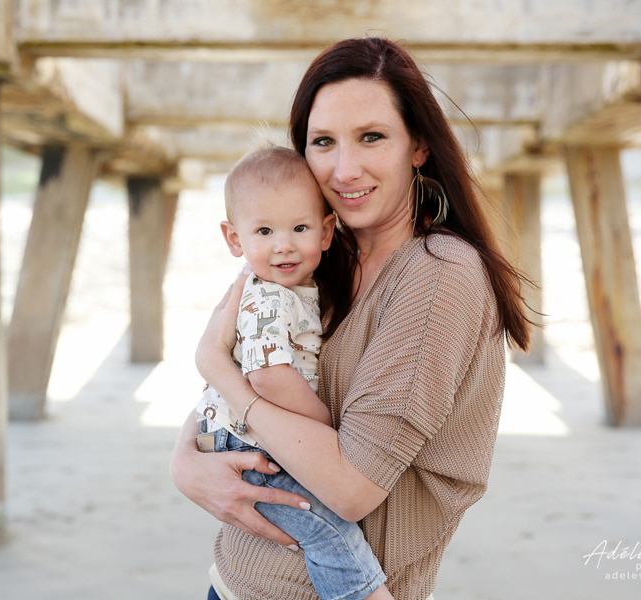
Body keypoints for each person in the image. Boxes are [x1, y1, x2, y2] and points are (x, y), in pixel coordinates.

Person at [171, 37, 533, 600]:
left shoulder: (437, 276)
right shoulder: (316, 261)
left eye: (371, 137)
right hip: (237, 580)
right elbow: (232, 386)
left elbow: (351, 488)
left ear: (418, 145)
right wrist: (183, 461)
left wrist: (216, 369)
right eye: (323, 142)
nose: (343, 169)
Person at [193, 145, 394, 600]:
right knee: (328, 530)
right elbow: (269, 376)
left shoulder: (294, 290)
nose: (283, 244)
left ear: (326, 232)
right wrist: (325, 425)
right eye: (264, 231)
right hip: (249, 444)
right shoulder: (268, 297)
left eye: (299, 228)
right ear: (234, 239)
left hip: (251, 433)